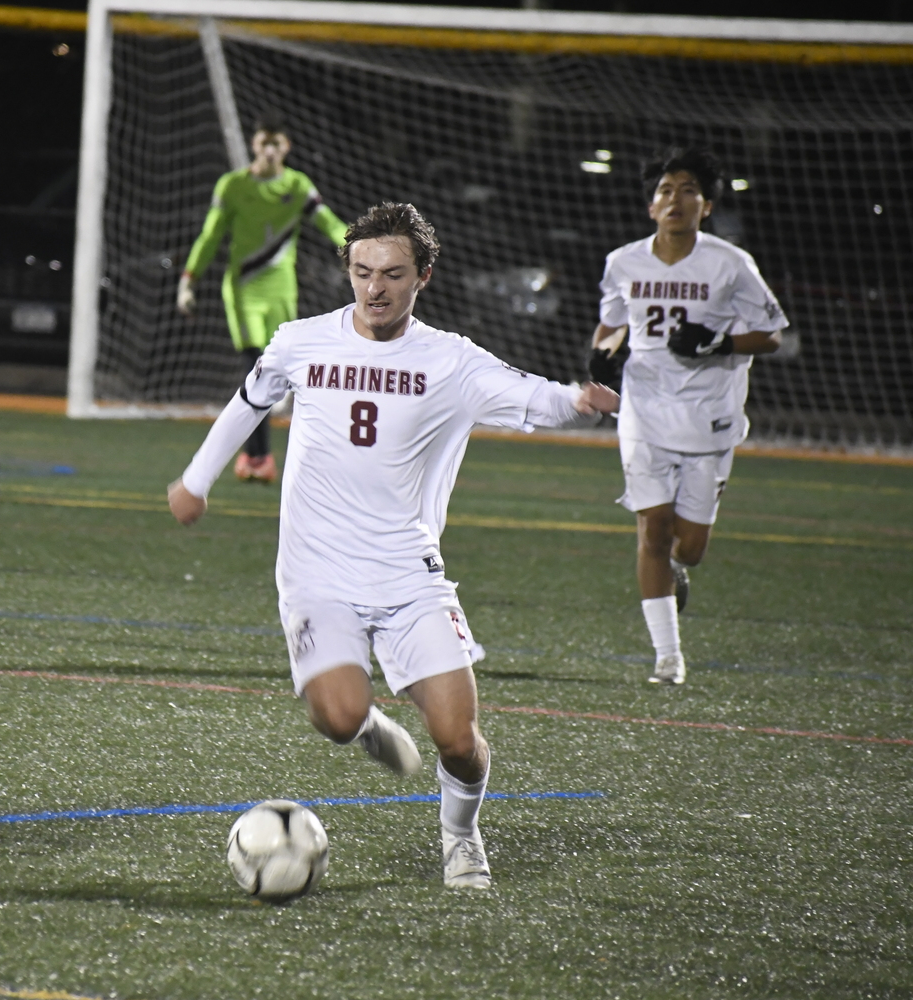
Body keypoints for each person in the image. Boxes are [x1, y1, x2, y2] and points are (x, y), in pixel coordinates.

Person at [169, 202, 619, 889]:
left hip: (410, 575)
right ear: (348, 271)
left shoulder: (451, 361)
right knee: (339, 715)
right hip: (317, 573)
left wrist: (579, 402)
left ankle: (461, 834)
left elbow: (529, 397)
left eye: (392, 274)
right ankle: (368, 726)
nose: (374, 288)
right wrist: (196, 479)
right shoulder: (301, 340)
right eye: (362, 272)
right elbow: (249, 401)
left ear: (423, 277)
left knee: (458, 741)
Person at [588, 147, 786, 686]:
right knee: (651, 528)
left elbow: (771, 333)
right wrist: (602, 354)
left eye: (687, 190)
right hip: (644, 411)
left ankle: (676, 572)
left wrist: (719, 341)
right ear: (651, 207)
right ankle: (668, 657)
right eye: (665, 191)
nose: (675, 199)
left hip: (710, 415)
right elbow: (610, 326)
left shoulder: (730, 263)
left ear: (708, 205)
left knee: (690, 548)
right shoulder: (623, 261)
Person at [177, 113, 348, 483]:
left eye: (277, 143)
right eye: (263, 143)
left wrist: (356, 247)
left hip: (283, 291)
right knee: (256, 368)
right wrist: (188, 279)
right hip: (243, 290)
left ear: (286, 147)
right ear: (254, 145)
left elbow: (329, 222)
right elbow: (210, 235)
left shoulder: (299, 186)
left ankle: (261, 457)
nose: (270, 150)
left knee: (278, 373)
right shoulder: (233, 185)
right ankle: (261, 457)